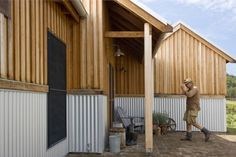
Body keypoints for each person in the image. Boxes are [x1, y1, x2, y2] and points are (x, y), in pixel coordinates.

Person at [180, 78, 210, 142]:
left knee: (193, 122)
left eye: (187, 84)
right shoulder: (189, 89)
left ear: (191, 83)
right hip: (189, 108)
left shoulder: (195, 89)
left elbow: (189, 95)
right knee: (188, 122)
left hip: (193, 108)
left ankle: (206, 132)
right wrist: (184, 89)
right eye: (185, 84)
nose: (186, 85)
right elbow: (184, 93)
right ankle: (188, 136)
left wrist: (184, 89)